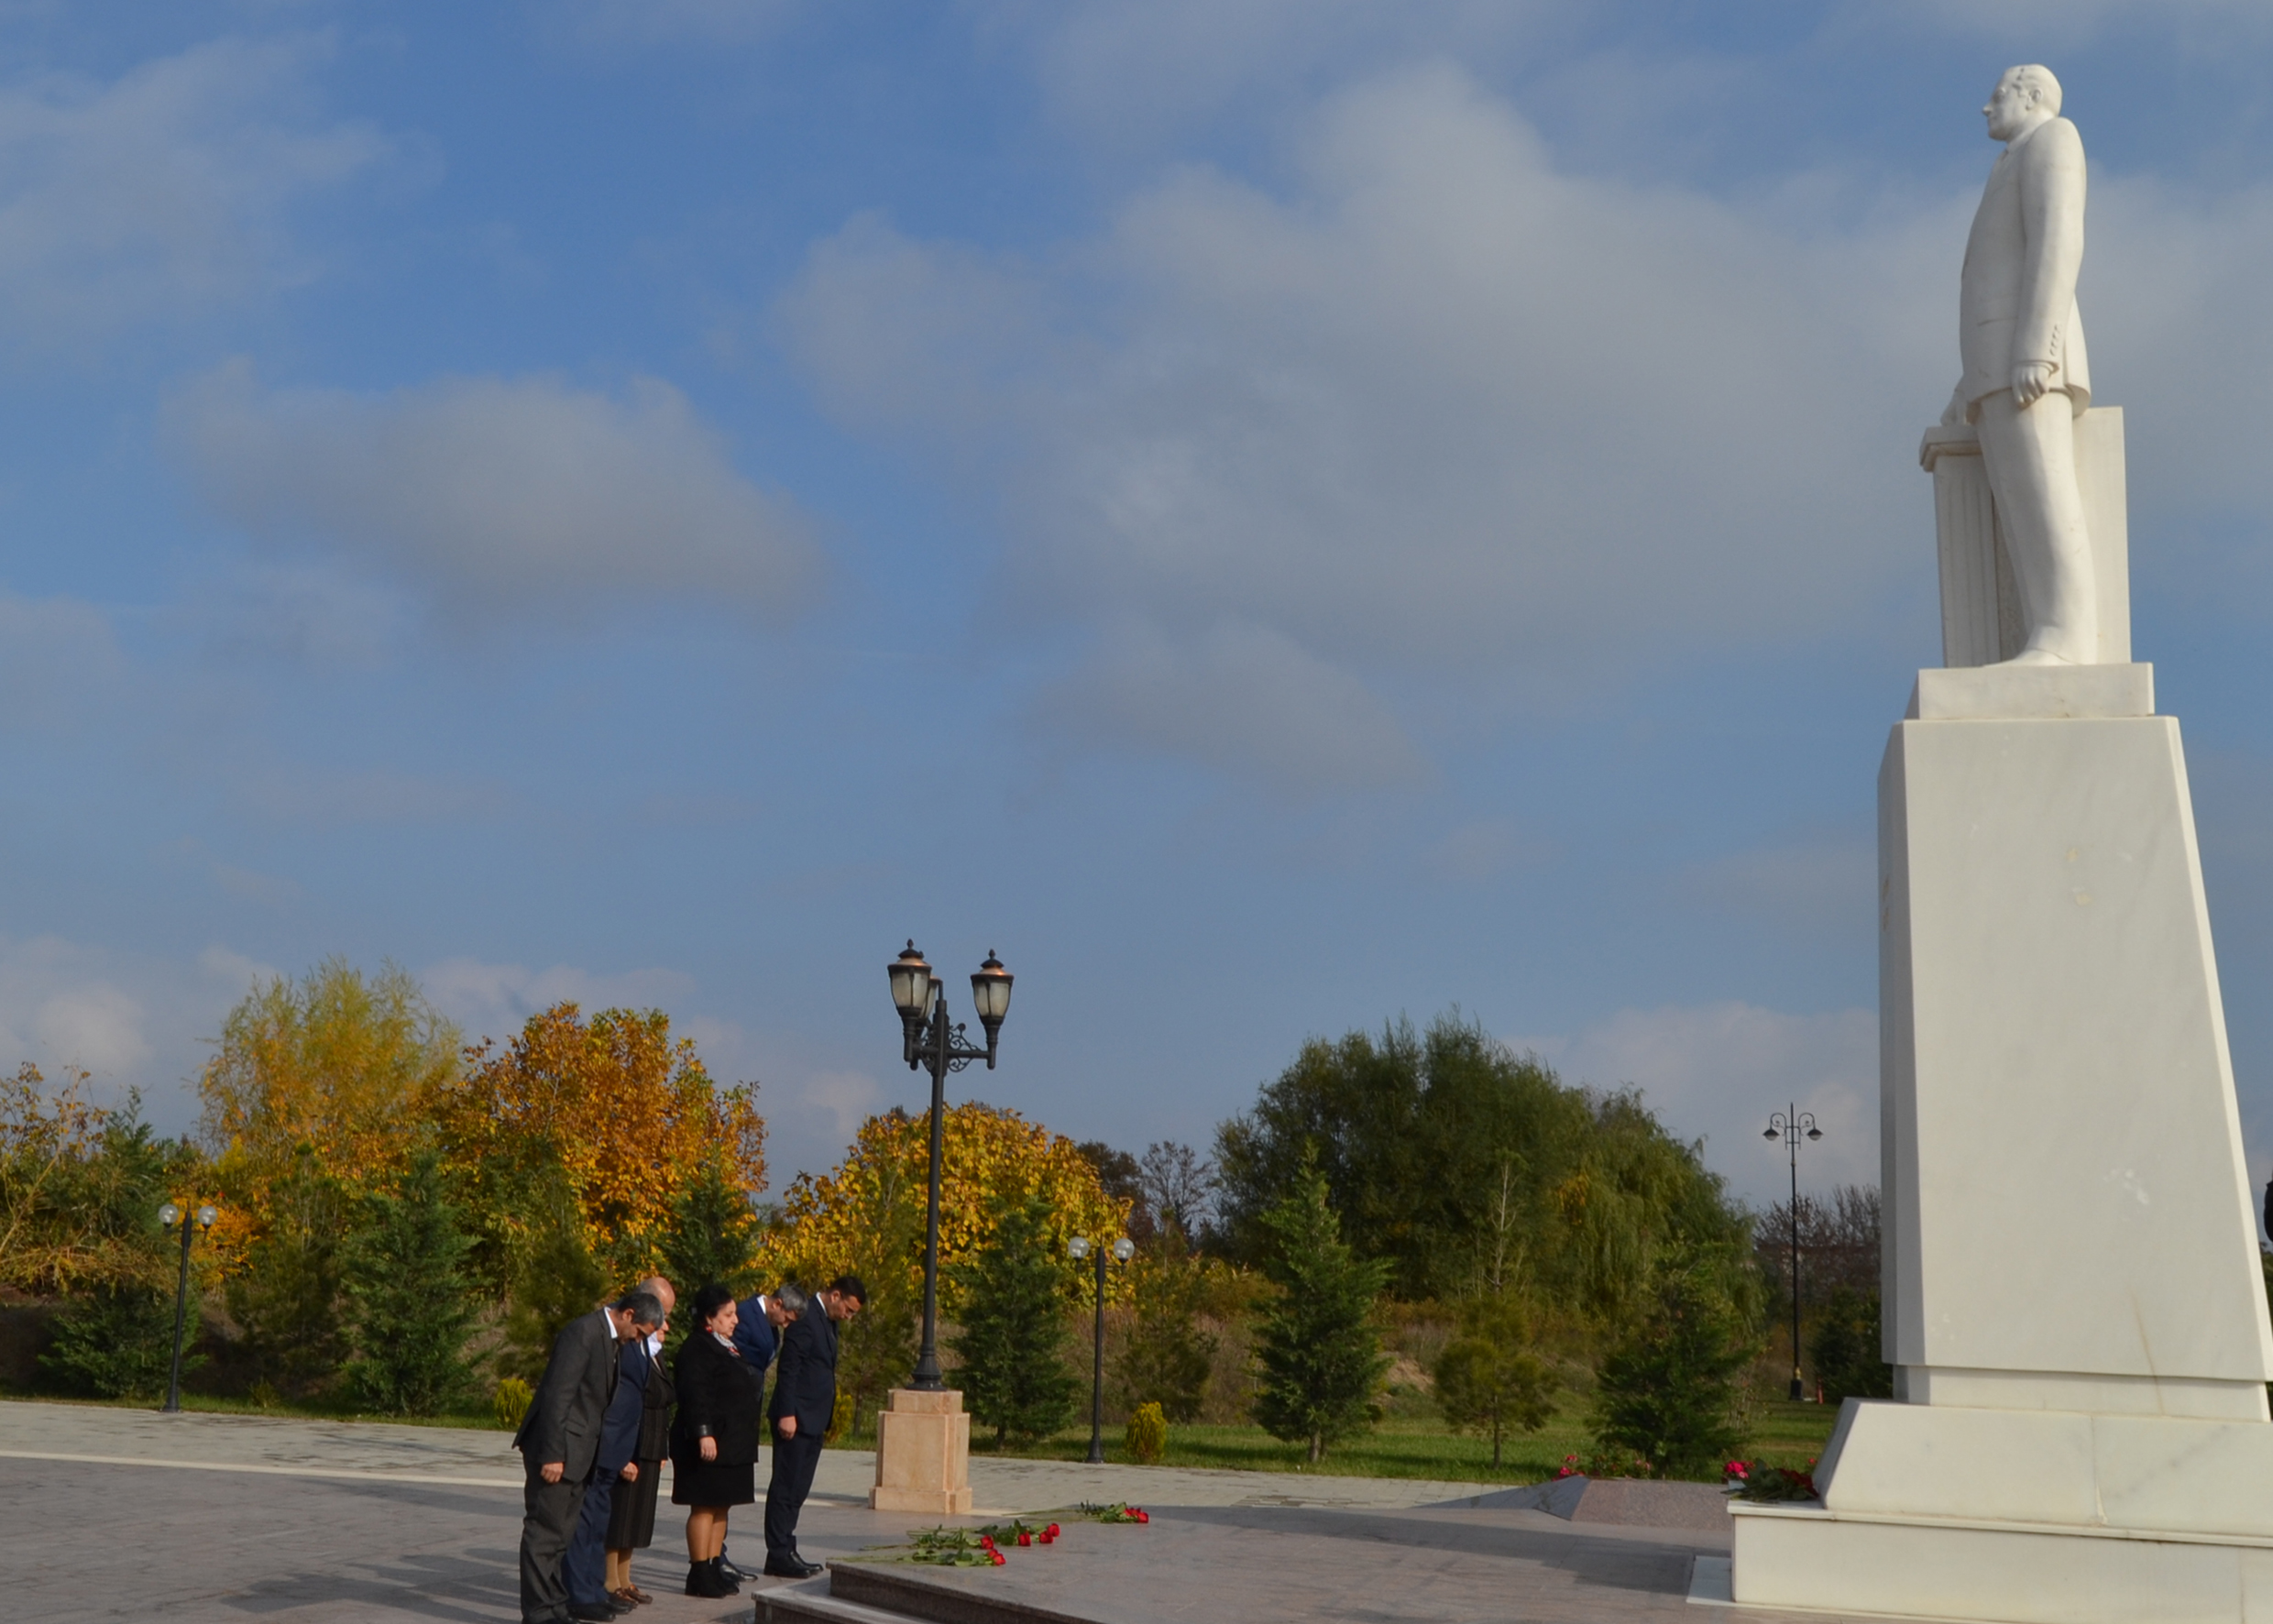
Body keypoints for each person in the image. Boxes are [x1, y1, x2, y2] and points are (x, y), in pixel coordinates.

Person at [1934, 63, 2097, 666]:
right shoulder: (2008, 163)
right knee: (2015, 502)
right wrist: (1968, 377)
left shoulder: (2055, 139)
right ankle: (2045, 630)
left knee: (2043, 494)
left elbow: (2059, 239)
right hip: (1996, 365)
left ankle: (2066, 636)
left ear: (2031, 96)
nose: (1986, 106)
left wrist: (2038, 345)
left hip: (2029, 360)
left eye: (1997, 94)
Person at [514, 1289, 665, 1624]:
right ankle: (538, 1613)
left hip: (581, 1454)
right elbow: (558, 1395)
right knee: (544, 1534)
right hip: (558, 1453)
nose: (637, 1340)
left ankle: (555, 1606)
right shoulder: (583, 1332)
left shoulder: (611, 1339)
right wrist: (553, 1453)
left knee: (561, 1536)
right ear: (627, 1314)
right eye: (639, 1332)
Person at [763, 1275, 864, 1578]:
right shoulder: (806, 1316)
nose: (848, 1317)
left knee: (799, 1488)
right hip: (796, 1418)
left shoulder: (827, 1321)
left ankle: (787, 1546)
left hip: (814, 1419)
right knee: (786, 1486)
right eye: (848, 1309)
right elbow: (790, 1367)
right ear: (835, 1295)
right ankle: (777, 1553)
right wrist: (787, 1412)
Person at [670, 1284, 763, 1598]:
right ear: (710, 1318)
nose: (735, 1320)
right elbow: (696, 1394)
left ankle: (713, 1567)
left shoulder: (723, 1344)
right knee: (704, 1507)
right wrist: (704, 1432)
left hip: (732, 1444)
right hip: (710, 1443)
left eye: (734, 1314)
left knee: (721, 1506)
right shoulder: (698, 1348)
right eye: (728, 1314)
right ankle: (698, 1573)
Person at [719, 1282, 803, 1583]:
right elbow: (732, 1360)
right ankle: (716, 1554)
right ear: (777, 1303)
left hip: (746, 1411)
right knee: (720, 1491)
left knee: (731, 1488)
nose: (788, 1324)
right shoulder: (742, 1315)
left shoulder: (770, 1326)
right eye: (788, 1317)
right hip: (730, 1410)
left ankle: (719, 1552)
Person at [601, 1276, 676, 1608]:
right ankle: (609, 1581)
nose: (666, 1324)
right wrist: (625, 1455)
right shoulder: (627, 1342)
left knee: (637, 1518)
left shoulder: (650, 1346)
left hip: (649, 1444)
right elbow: (623, 1400)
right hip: (629, 1444)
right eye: (663, 1314)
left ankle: (625, 1578)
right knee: (620, 1516)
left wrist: (660, 1448)